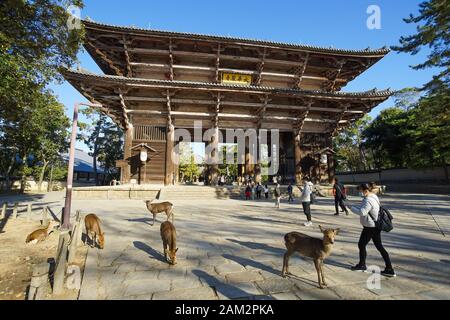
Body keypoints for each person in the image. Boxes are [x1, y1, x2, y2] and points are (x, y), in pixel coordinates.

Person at [349, 183, 396, 277]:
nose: (360, 193)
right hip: (375, 226)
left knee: (361, 244)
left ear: (365, 190)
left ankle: (362, 265)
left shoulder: (368, 200)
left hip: (370, 226)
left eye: (360, 191)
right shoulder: (374, 196)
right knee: (379, 246)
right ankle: (389, 268)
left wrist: (351, 208)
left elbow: (362, 212)